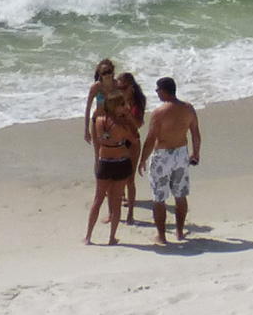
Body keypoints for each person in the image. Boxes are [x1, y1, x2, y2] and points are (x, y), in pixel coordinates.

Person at [141, 75, 201, 243]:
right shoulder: (188, 108)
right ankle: (180, 232)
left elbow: (151, 139)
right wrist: (196, 153)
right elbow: (195, 133)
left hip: (163, 155)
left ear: (164, 91)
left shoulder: (159, 112)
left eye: (157, 90)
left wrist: (142, 160)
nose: (156, 93)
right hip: (181, 153)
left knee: (159, 198)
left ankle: (161, 236)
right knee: (180, 195)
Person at [86, 83, 140, 245]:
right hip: (120, 161)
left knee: (99, 199)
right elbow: (135, 139)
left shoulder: (100, 121)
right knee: (115, 202)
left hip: (105, 161)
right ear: (115, 106)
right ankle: (111, 237)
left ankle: (88, 236)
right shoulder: (122, 125)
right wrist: (128, 120)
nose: (125, 106)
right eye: (122, 104)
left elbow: (103, 138)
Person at [82, 58, 121, 146]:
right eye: (104, 73)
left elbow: (124, 105)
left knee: (114, 150)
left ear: (113, 71)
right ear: (100, 74)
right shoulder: (96, 87)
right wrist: (86, 130)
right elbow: (88, 108)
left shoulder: (117, 85)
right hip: (98, 121)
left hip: (114, 122)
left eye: (109, 71)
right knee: (98, 153)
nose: (107, 74)